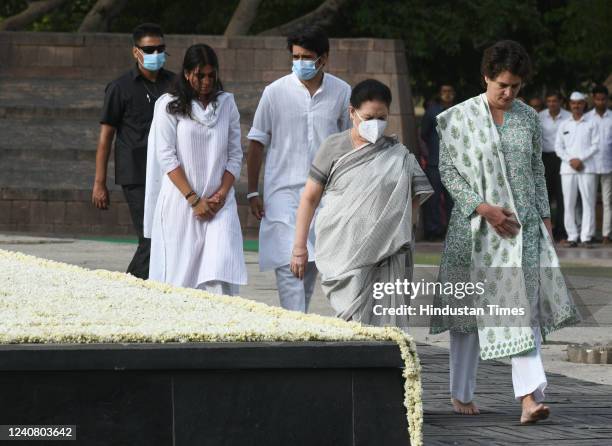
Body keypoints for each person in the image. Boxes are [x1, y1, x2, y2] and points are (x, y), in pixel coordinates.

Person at [431, 40, 579, 424]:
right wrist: (483, 208)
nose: (509, 93)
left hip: (520, 231)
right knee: (466, 317)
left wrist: (545, 223)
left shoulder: (528, 119)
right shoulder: (458, 118)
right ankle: (461, 391)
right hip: (474, 230)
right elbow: (448, 171)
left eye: (515, 86)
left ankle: (529, 398)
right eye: (502, 85)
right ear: (486, 77)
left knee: (521, 312)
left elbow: (535, 173)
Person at [289, 79, 432, 326]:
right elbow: (310, 198)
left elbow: (415, 196)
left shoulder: (398, 154)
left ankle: (390, 363)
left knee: (387, 323)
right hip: (342, 251)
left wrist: (400, 231)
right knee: (351, 318)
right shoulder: (333, 146)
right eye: (368, 117)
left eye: (382, 117)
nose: (375, 124)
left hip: (388, 251)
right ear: (352, 113)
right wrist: (299, 247)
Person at [246, 25, 351, 312]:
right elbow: (256, 143)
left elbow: (352, 143)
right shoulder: (275, 92)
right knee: (289, 269)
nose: (301, 63)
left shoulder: (342, 93)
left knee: (310, 268)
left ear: (323, 58)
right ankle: (296, 332)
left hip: (325, 195)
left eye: (307, 57)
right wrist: (253, 191)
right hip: (282, 195)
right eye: (296, 56)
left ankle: (297, 332)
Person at [143, 44, 247, 295]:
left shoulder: (226, 103)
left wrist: (221, 195)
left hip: (219, 204)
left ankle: (219, 332)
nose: (206, 81)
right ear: (188, 74)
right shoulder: (169, 105)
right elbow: (166, 157)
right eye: (200, 75)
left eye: (212, 75)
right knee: (182, 278)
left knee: (219, 271)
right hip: (182, 203)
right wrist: (193, 199)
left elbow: (235, 154)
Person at [92, 23, 175, 279]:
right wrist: (99, 183)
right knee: (150, 235)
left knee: (169, 234)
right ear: (135, 52)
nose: (155, 54)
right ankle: (131, 284)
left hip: (169, 171)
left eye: (160, 49)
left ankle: (148, 286)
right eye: (149, 49)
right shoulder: (119, 87)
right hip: (136, 172)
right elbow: (106, 137)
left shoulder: (175, 83)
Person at [555, 92, 600, 248]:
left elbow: (596, 145)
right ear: (569, 105)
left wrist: (580, 159)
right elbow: (558, 147)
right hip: (567, 169)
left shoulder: (592, 122)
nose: (576, 106)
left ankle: (587, 236)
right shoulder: (564, 124)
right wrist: (571, 160)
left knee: (588, 203)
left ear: (584, 104)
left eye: (579, 103)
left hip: (587, 168)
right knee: (569, 203)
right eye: (573, 103)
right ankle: (572, 236)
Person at [420, 84, 455, 240]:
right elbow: (424, 134)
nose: (447, 94)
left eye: (450, 92)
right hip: (435, 163)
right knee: (433, 200)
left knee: (454, 201)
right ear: (439, 94)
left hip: (456, 165)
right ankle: (433, 231)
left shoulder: (460, 111)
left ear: (454, 94)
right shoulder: (431, 112)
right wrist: (429, 155)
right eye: (444, 91)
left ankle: (453, 231)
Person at [538, 91, 571, 241]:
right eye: (549, 101)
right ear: (546, 102)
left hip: (562, 159)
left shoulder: (568, 116)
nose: (552, 104)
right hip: (545, 158)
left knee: (562, 196)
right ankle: (545, 231)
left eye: (555, 101)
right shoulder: (540, 116)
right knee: (545, 195)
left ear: (560, 102)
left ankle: (562, 231)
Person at [585, 85, 612, 244]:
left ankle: (606, 235)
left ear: (607, 100)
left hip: (608, 164)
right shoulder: (587, 118)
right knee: (589, 200)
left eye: (603, 99)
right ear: (593, 99)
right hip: (589, 165)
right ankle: (589, 233)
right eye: (598, 99)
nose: (600, 102)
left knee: (608, 200)